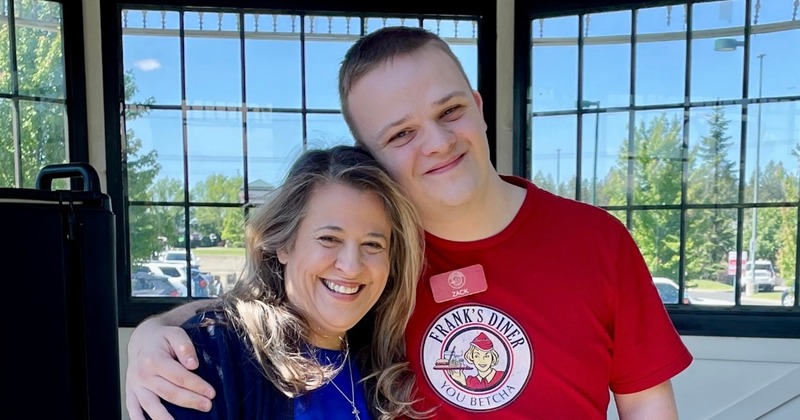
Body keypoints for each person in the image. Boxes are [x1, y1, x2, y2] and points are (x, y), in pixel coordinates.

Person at [126, 26, 692, 419]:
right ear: (371, 156)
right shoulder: (373, 256)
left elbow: (645, 399)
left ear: (478, 106)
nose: (439, 142)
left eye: (450, 111)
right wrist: (158, 333)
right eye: (401, 134)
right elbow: (274, 304)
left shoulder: (596, 240)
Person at [155, 145, 428, 419]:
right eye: (329, 239)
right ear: (284, 244)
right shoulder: (212, 354)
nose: (351, 266)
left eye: (372, 244)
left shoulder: (386, 366)